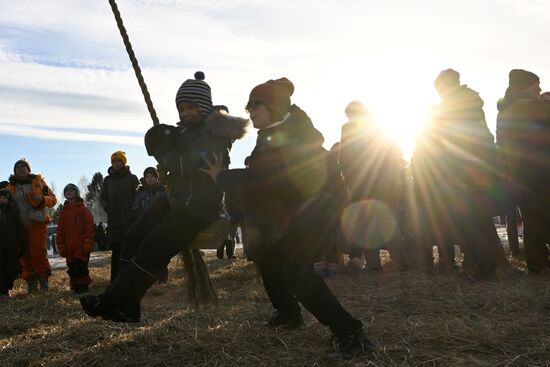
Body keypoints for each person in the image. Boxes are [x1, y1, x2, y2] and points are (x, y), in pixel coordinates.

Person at [200, 78, 373, 360]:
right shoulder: (271, 133)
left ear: (274, 107)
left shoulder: (295, 135)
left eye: (255, 105)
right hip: (291, 212)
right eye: (248, 105)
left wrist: (222, 177)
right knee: (268, 259)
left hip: (313, 211)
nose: (250, 111)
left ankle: (349, 330)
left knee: (297, 273)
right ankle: (289, 313)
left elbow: (265, 179)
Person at [80, 71, 248, 322]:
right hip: (178, 200)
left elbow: (195, 166)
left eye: (190, 107)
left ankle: (114, 302)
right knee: (134, 236)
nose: (185, 113)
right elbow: (176, 160)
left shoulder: (215, 135)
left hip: (198, 208)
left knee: (153, 247)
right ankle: (125, 301)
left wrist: (165, 154)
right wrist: (164, 140)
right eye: (181, 108)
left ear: (203, 106)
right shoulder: (185, 132)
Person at [412, 69, 501, 279]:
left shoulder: (456, 105)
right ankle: (481, 266)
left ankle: (480, 268)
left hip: (464, 172)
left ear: (444, 87)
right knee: (477, 220)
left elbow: (453, 143)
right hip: (474, 169)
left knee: (471, 222)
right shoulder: (466, 102)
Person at [339, 101, 408, 272]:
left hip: (362, 185)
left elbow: (344, 157)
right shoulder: (379, 126)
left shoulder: (348, 129)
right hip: (384, 184)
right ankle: (402, 262)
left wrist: (350, 180)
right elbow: (393, 154)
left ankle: (374, 264)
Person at [496, 69, 550, 273]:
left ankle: (538, 263)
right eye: (537, 85)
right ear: (527, 85)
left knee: (533, 220)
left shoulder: (505, 111)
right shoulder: (531, 106)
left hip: (518, 175)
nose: (540, 89)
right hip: (540, 171)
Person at [7, 159, 57, 292]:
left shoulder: (38, 182)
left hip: (37, 224)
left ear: (28, 169)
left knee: (38, 253)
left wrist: (42, 199)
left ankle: (44, 282)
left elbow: (53, 200)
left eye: (23, 166)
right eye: (17, 167)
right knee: (25, 256)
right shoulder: (10, 186)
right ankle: (31, 285)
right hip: (20, 227)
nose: (20, 168)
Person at [99, 150, 139, 282]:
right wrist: (108, 208)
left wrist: (133, 210)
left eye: (119, 161)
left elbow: (137, 197)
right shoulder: (107, 180)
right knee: (116, 251)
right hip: (114, 221)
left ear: (124, 162)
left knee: (130, 249)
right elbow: (103, 198)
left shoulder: (132, 178)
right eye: (114, 161)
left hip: (130, 220)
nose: (116, 163)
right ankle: (115, 280)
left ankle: (130, 279)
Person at [56, 183, 95, 294]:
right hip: (69, 246)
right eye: (66, 190)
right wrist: (60, 244)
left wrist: (88, 241)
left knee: (80, 267)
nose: (68, 192)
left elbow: (89, 227)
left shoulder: (83, 209)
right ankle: (76, 287)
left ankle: (84, 287)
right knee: (72, 267)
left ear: (76, 193)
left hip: (81, 245)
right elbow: (60, 229)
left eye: (71, 190)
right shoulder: (64, 211)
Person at [0, 187, 26, 301]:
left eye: (4, 197)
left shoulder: (14, 211)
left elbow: (20, 228)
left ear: (9, 198)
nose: (2, 199)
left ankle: (8, 289)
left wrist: (22, 244)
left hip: (12, 244)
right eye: (0, 197)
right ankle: (3, 293)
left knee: (11, 268)